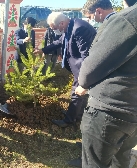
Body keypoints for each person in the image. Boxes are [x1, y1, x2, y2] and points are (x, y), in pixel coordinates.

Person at [75, 0, 137, 167]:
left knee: (95, 163)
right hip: (132, 110)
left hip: (110, 111)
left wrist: (84, 84)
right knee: (121, 160)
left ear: (98, 11)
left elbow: (90, 69)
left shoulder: (127, 20)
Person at [67, 0, 117, 167]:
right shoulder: (116, 23)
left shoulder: (115, 26)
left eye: (91, 16)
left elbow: (99, 59)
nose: (92, 20)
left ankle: (90, 161)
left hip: (109, 92)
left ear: (99, 11)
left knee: (98, 132)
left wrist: (85, 83)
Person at [34, 12, 96, 128]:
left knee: (76, 93)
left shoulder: (79, 28)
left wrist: (83, 76)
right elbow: (58, 42)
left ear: (61, 23)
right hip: (77, 69)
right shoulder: (70, 26)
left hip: (82, 69)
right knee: (77, 93)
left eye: (55, 28)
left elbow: (86, 56)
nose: (55, 31)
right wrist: (43, 50)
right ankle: (76, 114)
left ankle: (69, 120)